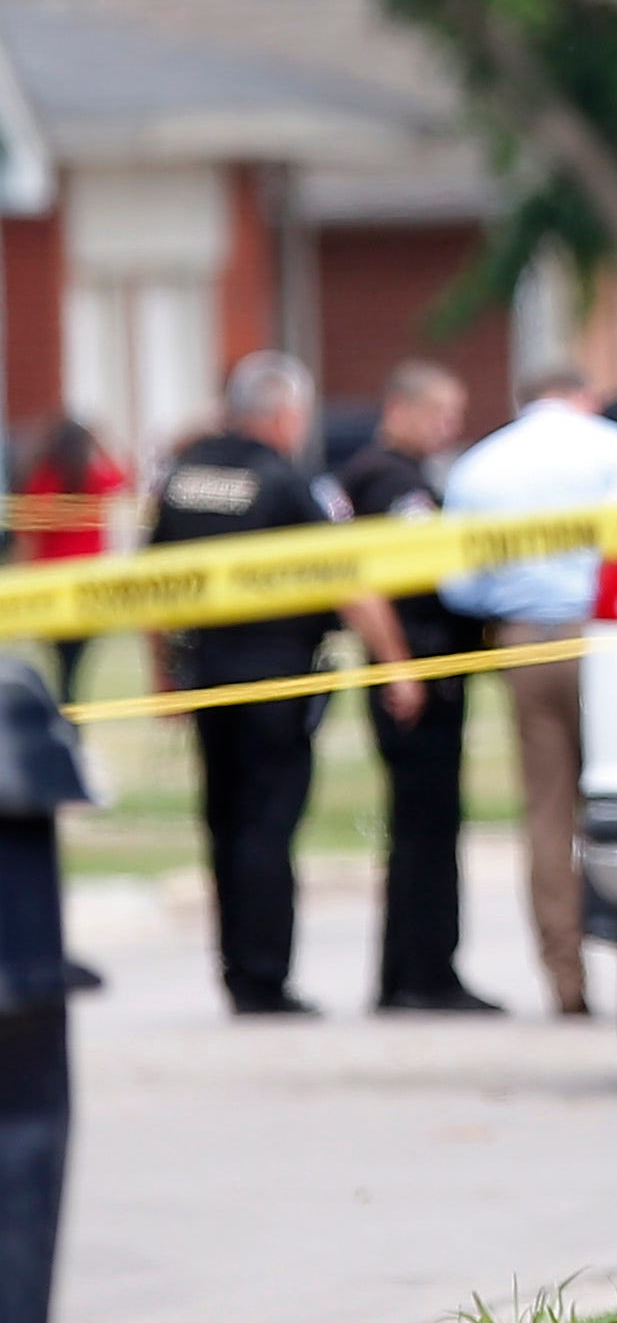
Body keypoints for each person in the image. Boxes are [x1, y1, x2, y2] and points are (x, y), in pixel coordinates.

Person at [145, 354, 424, 1018]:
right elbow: (347, 581)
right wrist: (397, 664)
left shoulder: (183, 477)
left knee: (223, 821)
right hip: (278, 677)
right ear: (279, 413)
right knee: (269, 825)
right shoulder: (286, 481)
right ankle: (266, 978)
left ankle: (239, 971)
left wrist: (164, 674)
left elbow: (148, 586)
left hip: (209, 675)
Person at [439, 369, 617, 1021]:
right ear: (585, 394)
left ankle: (565, 978)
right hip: (609, 640)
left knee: (547, 813)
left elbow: (458, 583)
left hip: (521, 641)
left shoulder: (480, 465)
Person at [334, 361, 499, 1015]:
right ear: (400, 410)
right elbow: (385, 579)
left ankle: (405, 972)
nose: (450, 427)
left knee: (415, 828)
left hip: (410, 671)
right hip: (417, 673)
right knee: (426, 828)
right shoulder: (395, 484)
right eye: (440, 413)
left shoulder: (372, 475)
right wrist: (402, 664)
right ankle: (427, 973)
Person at [15, 419, 128, 706]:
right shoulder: (91, 478)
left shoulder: (42, 478)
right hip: (86, 584)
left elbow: (29, 534)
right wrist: (104, 444)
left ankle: (66, 707)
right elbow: (125, 477)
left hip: (51, 581)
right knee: (74, 661)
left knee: (63, 661)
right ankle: (69, 709)